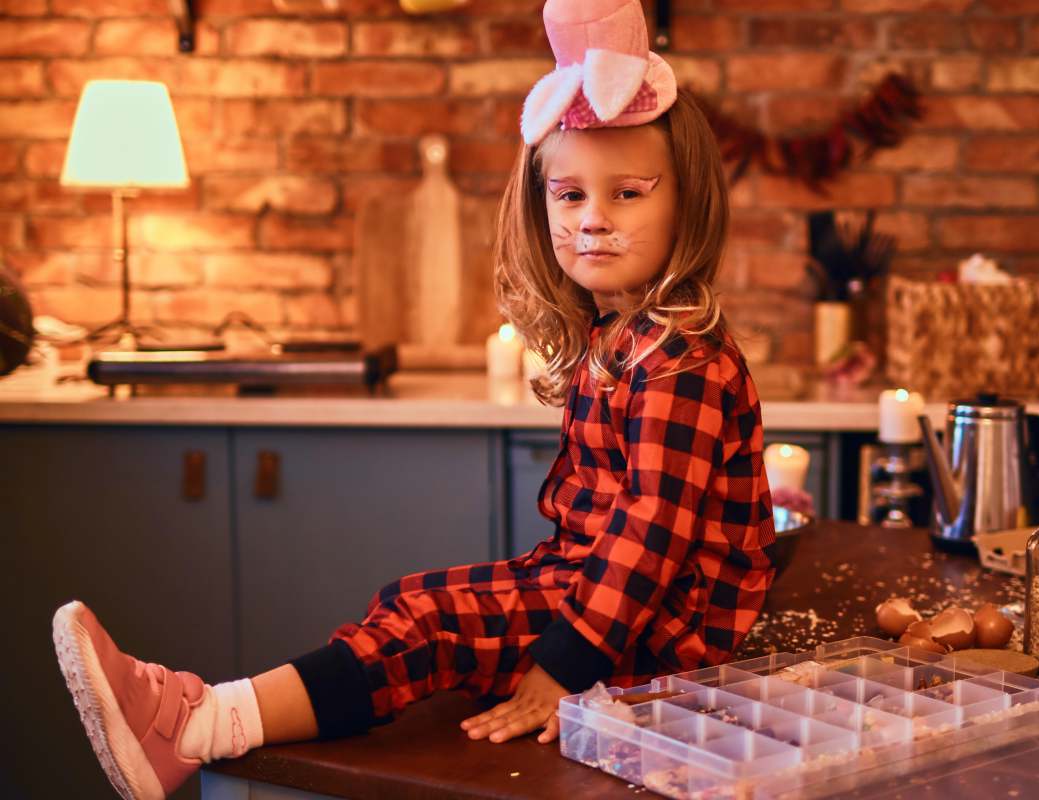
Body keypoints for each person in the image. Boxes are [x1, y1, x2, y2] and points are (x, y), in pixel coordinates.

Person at [50, 1, 777, 798]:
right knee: (414, 605)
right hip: (610, 589)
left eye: (628, 194)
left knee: (431, 623)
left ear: (688, 201)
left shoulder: (680, 361)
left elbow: (649, 536)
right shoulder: (624, 338)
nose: (593, 221)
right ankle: (202, 717)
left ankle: (195, 722)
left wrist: (563, 665)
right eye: (568, 196)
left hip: (675, 630)